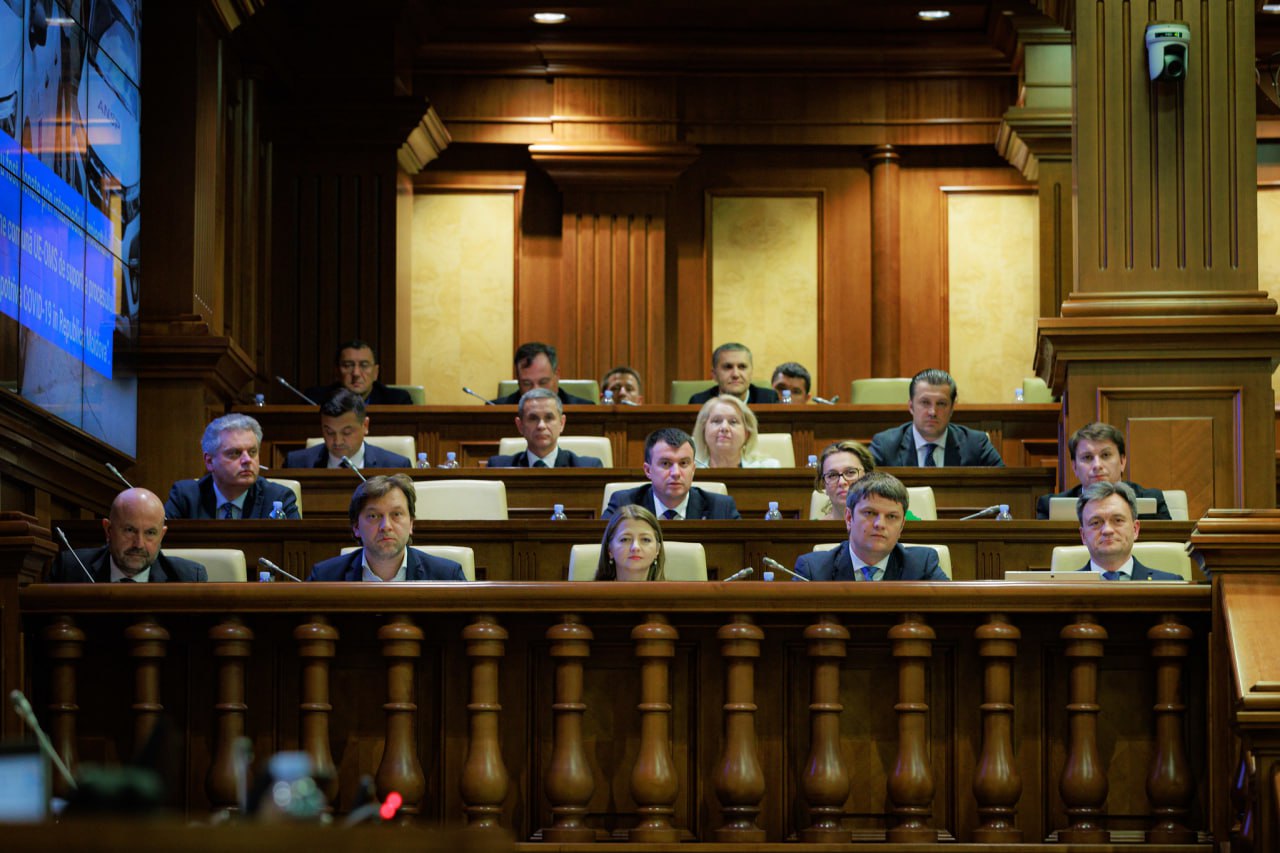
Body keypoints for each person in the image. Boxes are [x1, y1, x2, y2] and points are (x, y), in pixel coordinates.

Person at [794, 472, 949, 581]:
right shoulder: (813, 570)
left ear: (902, 526)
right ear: (849, 518)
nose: (880, 524)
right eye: (870, 513)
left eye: (891, 516)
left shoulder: (922, 565)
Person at [309, 474, 467, 581]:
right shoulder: (324, 577)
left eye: (396, 514)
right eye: (373, 516)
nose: (386, 526)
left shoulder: (447, 576)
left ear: (411, 523)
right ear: (356, 527)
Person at [48, 488, 208, 583]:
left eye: (150, 533)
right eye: (129, 530)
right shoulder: (69, 570)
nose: (139, 544)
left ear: (162, 535)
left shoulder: (188, 578)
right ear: (108, 530)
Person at [165, 414, 301, 519]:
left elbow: (296, 543)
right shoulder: (185, 497)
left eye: (252, 452)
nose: (247, 460)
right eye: (235, 453)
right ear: (209, 461)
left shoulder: (278, 498)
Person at [868, 368, 1004, 467]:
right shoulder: (885, 445)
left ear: (952, 408)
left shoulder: (976, 444)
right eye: (925, 402)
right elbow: (861, 486)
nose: (932, 412)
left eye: (941, 404)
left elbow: (1004, 486)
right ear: (911, 406)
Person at [1036, 422, 1171, 520]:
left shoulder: (1152, 500)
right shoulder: (1050, 507)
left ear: (1122, 461)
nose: (1097, 465)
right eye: (1087, 457)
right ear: (1074, 467)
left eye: (1105, 455)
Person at [602, 428, 741, 521]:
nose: (676, 473)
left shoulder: (721, 508)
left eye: (683, 463)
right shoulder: (624, 504)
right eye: (665, 464)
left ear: (693, 469)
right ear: (648, 470)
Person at [1075, 481, 1181, 581]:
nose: (1107, 530)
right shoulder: (1067, 586)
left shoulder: (1171, 585)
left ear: (1135, 529)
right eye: (1096, 523)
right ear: (1083, 535)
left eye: (1118, 520)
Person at [283, 390, 411, 469]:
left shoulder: (395, 467)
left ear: (365, 425)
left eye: (346, 432)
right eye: (329, 432)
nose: (337, 441)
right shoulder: (295, 464)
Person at [486, 389, 604, 468]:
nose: (541, 426)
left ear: (562, 423)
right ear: (520, 425)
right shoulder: (497, 467)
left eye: (549, 418)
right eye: (533, 418)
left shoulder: (588, 467)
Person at [304, 340, 414, 406]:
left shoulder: (397, 401)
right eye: (348, 365)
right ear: (337, 372)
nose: (356, 373)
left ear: (376, 372)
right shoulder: (315, 399)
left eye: (364, 365)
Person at [491, 342, 595, 405]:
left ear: (557, 374)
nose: (536, 391)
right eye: (527, 384)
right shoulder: (496, 410)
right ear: (518, 379)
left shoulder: (584, 410)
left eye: (543, 382)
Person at [692, 395, 780, 469]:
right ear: (703, 430)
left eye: (733, 422)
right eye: (717, 421)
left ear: (747, 433)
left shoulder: (768, 467)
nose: (724, 427)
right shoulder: (691, 470)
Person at [687, 343, 780, 405]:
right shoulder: (700, 402)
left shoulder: (769, 399)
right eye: (728, 367)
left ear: (751, 373)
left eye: (742, 367)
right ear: (714, 375)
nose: (735, 374)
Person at [593, 505, 666, 581]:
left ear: (657, 549)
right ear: (610, 549)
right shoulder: (589, 589)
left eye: (645, 540)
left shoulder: (672, 589)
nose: (635, 547)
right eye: (625, 539)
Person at [813, 440, 875, 521]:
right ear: (824, 484)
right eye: (832, 475)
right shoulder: (815, 528)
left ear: (868, 477)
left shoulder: (883, 526)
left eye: (850, 472)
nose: (841, 482)